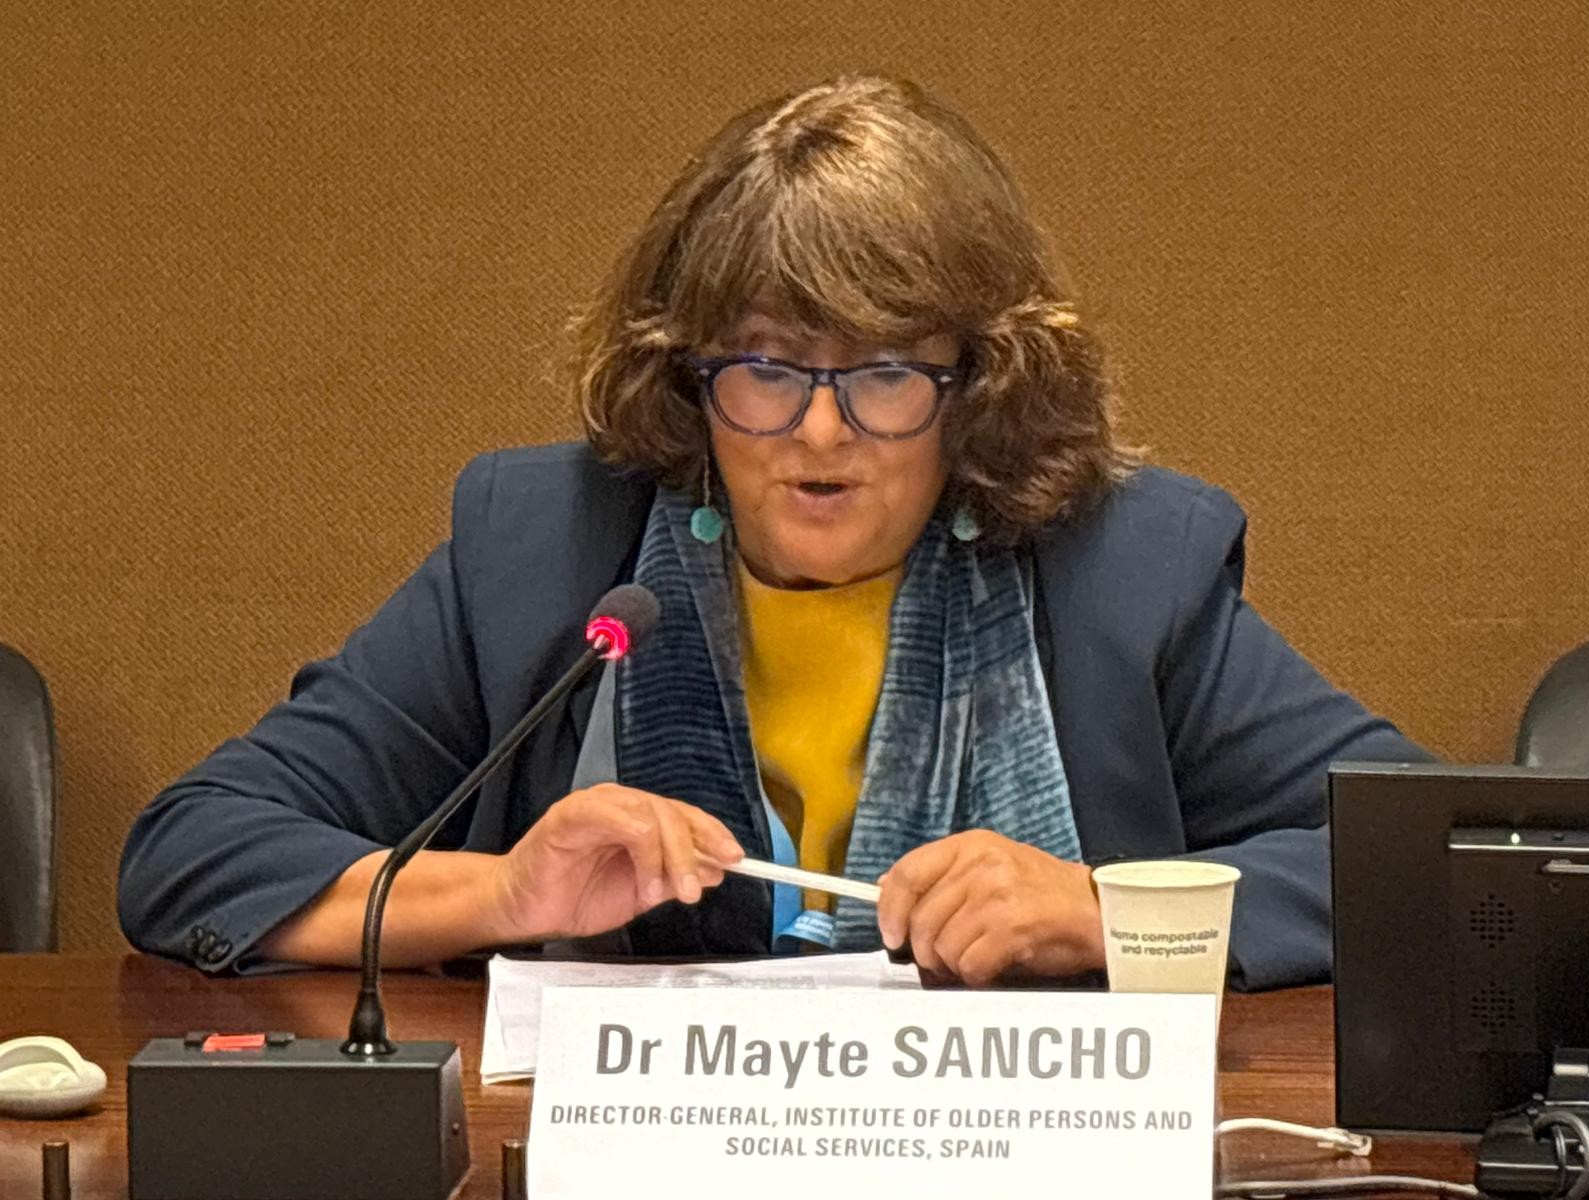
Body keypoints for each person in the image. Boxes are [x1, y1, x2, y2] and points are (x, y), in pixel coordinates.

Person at [117, 75, 1422, 990]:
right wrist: (502, 894)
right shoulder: (544, 551)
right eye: (768, 369)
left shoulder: (1120, 567)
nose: (818, 433)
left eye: (887, 372)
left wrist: (1111, 913)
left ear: (983, 383)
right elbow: (197, 851)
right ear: (685, 376)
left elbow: (1438, 858)